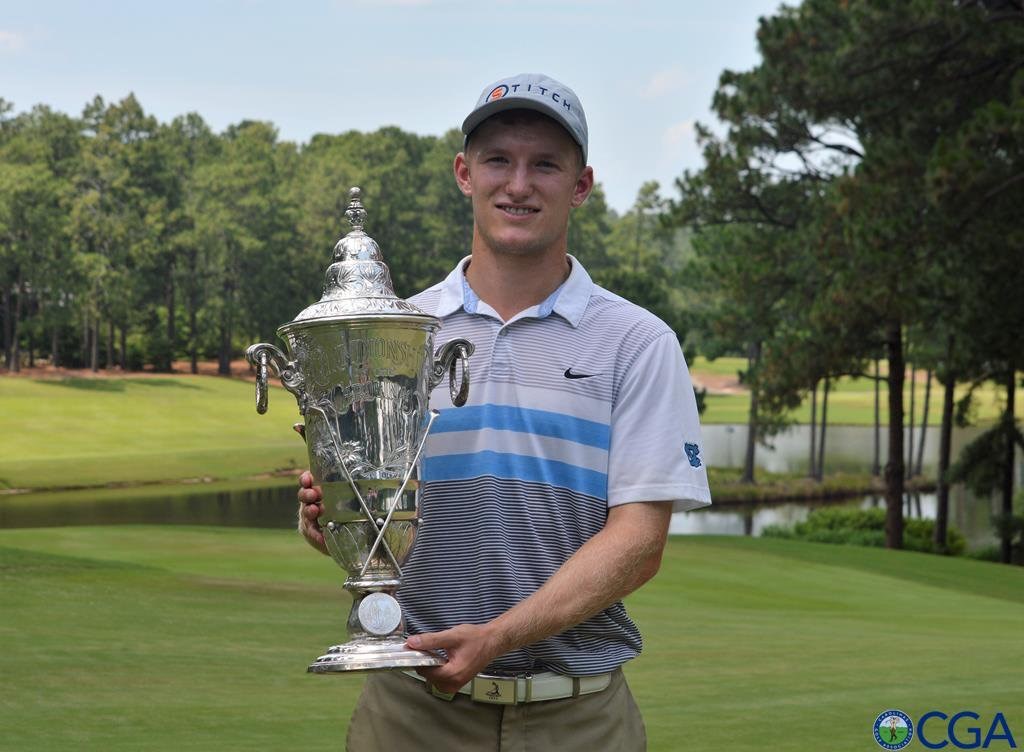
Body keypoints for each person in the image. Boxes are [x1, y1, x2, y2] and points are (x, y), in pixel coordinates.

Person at [297, 72, 711, 751]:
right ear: (465, 173)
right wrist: (333, 516)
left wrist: (498, 637)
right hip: (410, 712)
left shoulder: (637, 342)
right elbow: (365, 501)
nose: (518, 184)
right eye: (498, 160)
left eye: (545, 164)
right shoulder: (393, 331)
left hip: (577, 718)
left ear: (581, 185)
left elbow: (639, 543)